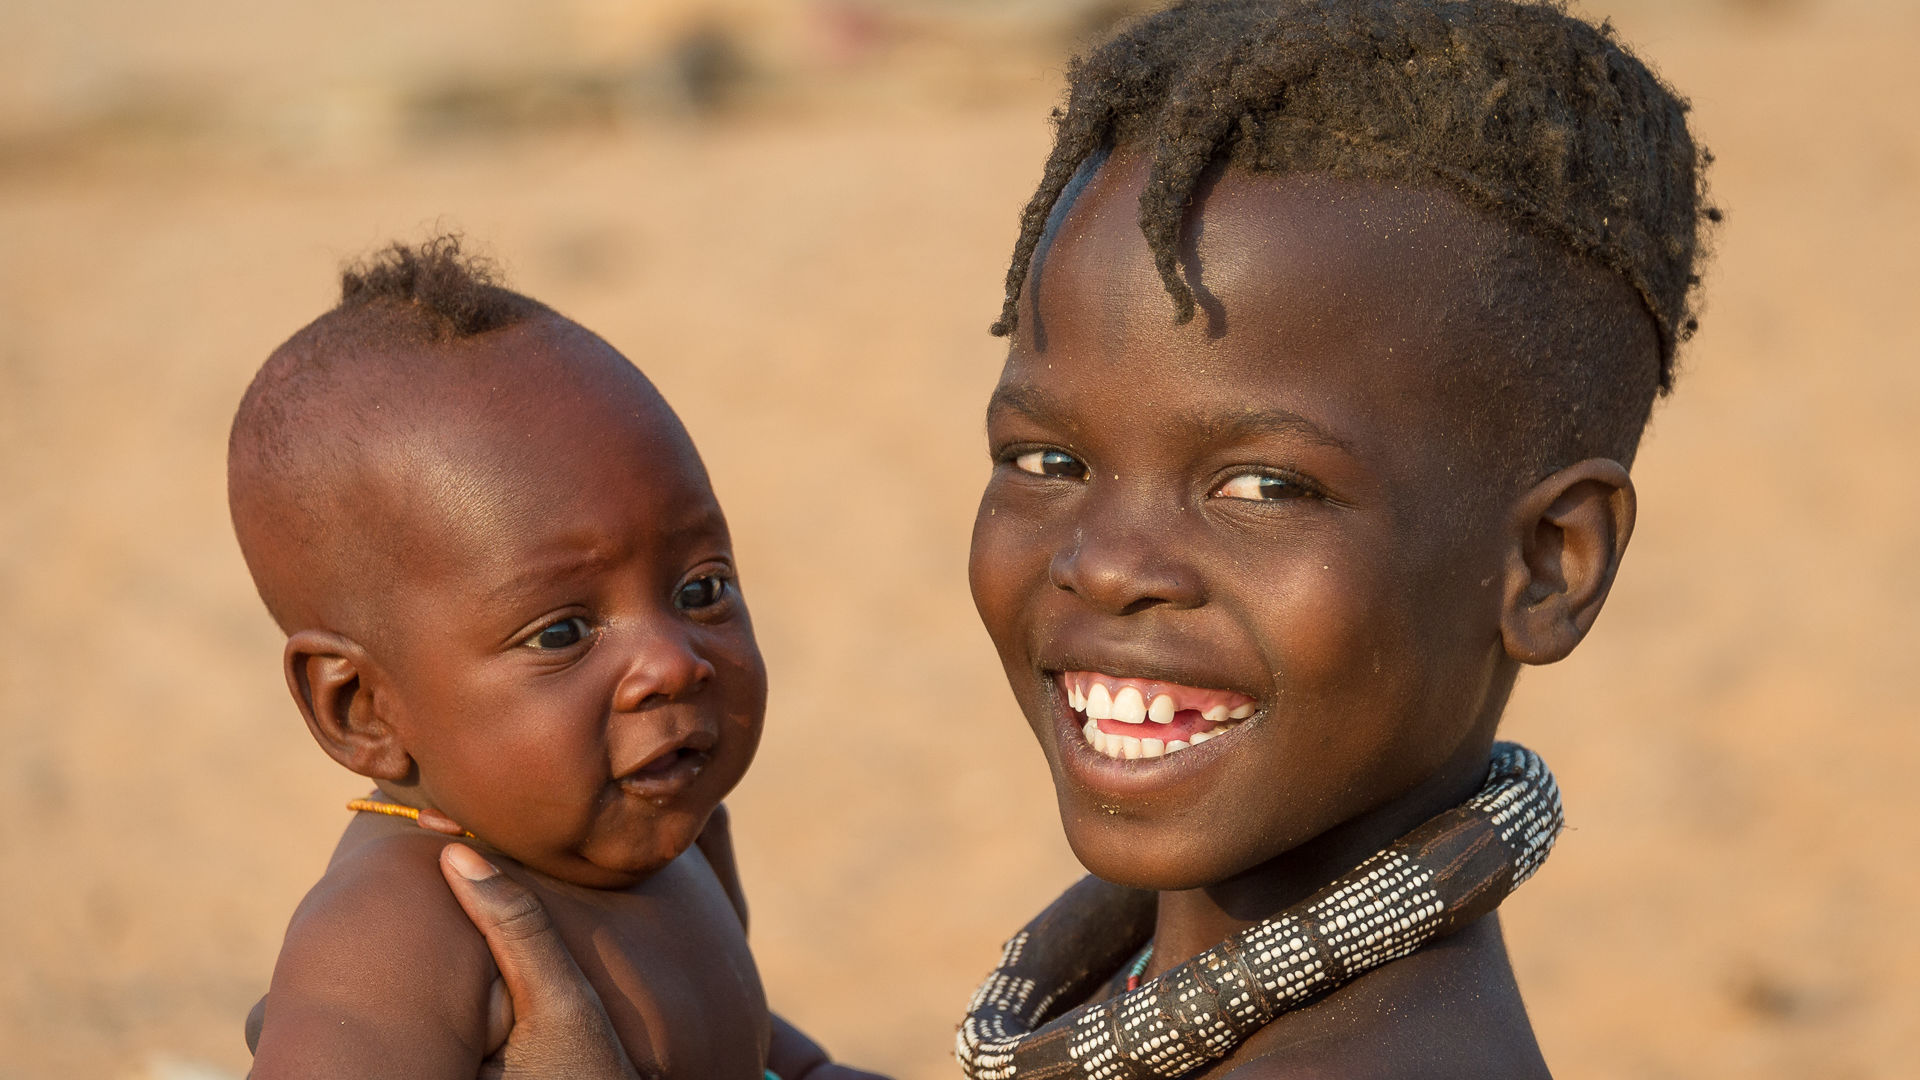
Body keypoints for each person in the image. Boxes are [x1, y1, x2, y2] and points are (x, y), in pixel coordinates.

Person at [426, 0, 1717, 1075]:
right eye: (1049, 462)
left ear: (1550, 565)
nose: (1102, 560)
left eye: (1261, 488)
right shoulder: (1229, 974)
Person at [231, 237, 883, 1080]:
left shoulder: (674, 848)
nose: (673, 664)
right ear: (361, 709)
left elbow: (767, 1058)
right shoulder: (395, 936)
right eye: (562, 633)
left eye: (701, 589)